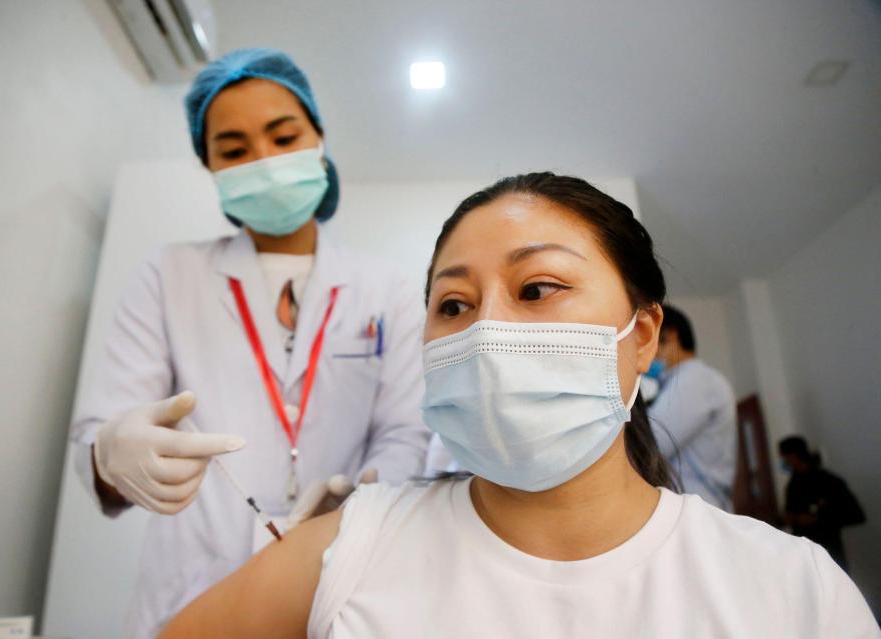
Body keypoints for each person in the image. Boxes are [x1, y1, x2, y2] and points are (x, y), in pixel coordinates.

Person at [159, 174, 879, 638]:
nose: (486, 330)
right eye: (453, 303)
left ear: (643, 337)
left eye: (537, 288)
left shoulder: (791, 590)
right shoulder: (351, 549)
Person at [69, 48, 430, 638]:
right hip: (190, 590)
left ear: (319, 138)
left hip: (332, 583)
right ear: (210, 168)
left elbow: (404, 432)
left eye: (284, 136)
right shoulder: (170, 274)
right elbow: (102, 432)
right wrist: (113, 453)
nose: (263, 161)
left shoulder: (383, 287)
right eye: (234, 151)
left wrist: (364, 497)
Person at [648, 305, 738, 510]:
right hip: (695, 507)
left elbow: (651, 445)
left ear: (669, 336)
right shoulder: (680, 382)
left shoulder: (694, 379)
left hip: (699, 507)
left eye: (645, 339)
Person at [780, 435, 866, 571]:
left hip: (830, 554)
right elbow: (791, 513)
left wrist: (818, 519)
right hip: (805, 557)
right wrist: (791, 518)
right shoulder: (793, 484)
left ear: (794, 456)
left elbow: (856, 515)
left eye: (784, 457)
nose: (783, 461)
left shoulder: (829, 481)